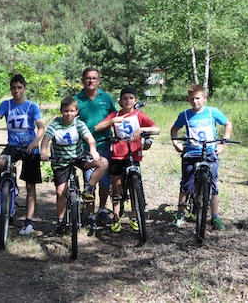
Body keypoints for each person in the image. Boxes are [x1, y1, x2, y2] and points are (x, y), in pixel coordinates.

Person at [0, 74, 45, 235]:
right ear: (10, 89)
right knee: (1, 162)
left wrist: (35, 141)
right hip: (13, 146)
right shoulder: (6, 105)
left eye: (19, 88)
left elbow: (41, 128)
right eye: (14, 88)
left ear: (24, 88)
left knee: (30, 185)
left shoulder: (32, 107)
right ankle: (1, 189)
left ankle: (28, 222)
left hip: (29, 148)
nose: (16, 91)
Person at [39, 96, 109, 235]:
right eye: (66, 111)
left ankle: (88, 189)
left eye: (72, 111)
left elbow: (89, 138)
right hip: (61, 160)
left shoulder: (79, 123)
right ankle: (61, 220)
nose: (69, 114)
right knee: (60, 192)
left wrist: (93, 150)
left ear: (76, 111)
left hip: (78, 156)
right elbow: (46, 139)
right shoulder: (55, 124)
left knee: (103, 163)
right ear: (61, 111)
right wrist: (43, 152)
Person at [95, 87, 160, 233]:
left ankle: (134, 216)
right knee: (116, 185)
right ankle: (116, 216)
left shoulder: (139, 114)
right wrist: (112, 121)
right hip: (118, 154)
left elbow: (156, 129)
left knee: (135, 184)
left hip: (134, 153)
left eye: (131, 98)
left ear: (135, 100)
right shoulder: (116, 114)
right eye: (125, 98)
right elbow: (97, 127)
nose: (128, 101)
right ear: (120, 101)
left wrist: (142, 130)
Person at [170, 84, 233, 230]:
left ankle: (215, 216)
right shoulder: (185, 115)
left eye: (198, 98)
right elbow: (174, 129)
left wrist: (223, 143)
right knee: (186, 183)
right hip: (191, 153)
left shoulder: (212, 112)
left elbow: (227, 124)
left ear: (205, 98)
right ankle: (180, 213)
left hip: (210, 152)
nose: (195, 101)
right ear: (188, 99)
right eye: (192, 99)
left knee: (213, 184)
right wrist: (176, 143)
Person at [74, 67, 115, 229]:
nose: (91, 81)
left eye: (94, 78)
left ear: (99, 80)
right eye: (88, 78)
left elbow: (114, 117)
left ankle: (102, 209)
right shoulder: (77, 99)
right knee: (89, 181)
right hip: (85, 148)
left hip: (104, 144)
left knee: (105, 182)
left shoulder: (106, 98)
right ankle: (91, 215)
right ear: (83, 80)